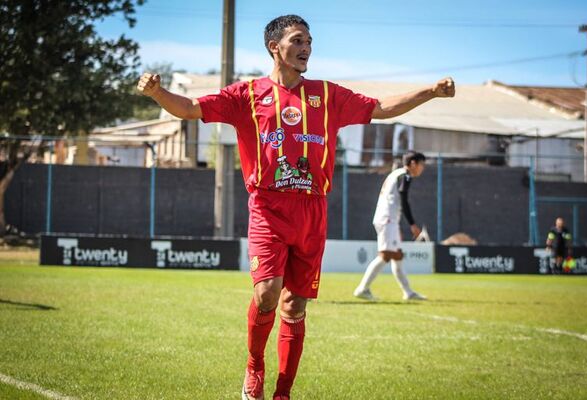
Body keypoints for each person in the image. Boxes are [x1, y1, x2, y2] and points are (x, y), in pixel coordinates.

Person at [137, 15, 454, 400]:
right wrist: (158, 93)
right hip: (268, 208)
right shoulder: (247, 95)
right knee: (267, 292)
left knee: (295, 305)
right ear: (275, 47)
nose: (307, 48)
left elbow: (382, 107)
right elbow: (188, 108)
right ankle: (255, 368)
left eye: (309, 41)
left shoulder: (327, 95)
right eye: (298, 40)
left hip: (312, 210)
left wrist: (430, 92)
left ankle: (283, 392)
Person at [354, 151, 428, 301]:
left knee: (397, 255)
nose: (422, 168)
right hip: (387, 219)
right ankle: (362, 289)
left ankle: (408, 292)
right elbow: (403, 197)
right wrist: (412, 223)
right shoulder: (405, 175)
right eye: (422, 165)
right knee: (386, 255)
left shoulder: (396, 173)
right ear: (413, 164)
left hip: (388, 219)